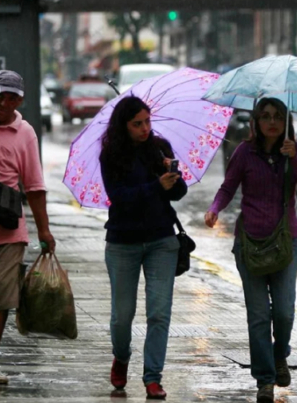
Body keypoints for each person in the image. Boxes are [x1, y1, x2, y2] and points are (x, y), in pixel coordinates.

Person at [204, 98, 297, 403]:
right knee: (257, 315)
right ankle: (264, 380)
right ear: (255, 121)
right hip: (249, 244)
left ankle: (280, 355)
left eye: (278, 116)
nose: (272, 122)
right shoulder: (244, 152)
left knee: (284, 311)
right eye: (265, 116)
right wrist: (215, 209)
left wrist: (294, 160)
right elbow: (228, 187)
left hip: (284, 244)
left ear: (286, 120)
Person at [99, 96, 187, 399]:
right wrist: (155, 186)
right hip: (123, 242)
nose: (145, 128)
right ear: (124, 125)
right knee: (122, 316)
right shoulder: (111, 154)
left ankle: (153, 377)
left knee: (159, 313)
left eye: (148, 121)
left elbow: (179, 193)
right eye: (138, 124)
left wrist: (173, 176)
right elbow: (119, 197)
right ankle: (121, 356)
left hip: (162, 241)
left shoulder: (159, 148)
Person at [0, 70, 55, 384]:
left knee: (1, 299)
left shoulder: (26, 133)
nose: (6, 102)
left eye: (14, 97)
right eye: (1, 94)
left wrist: (44, 231)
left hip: (9, 232)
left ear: (21, 99)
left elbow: (34, 186)